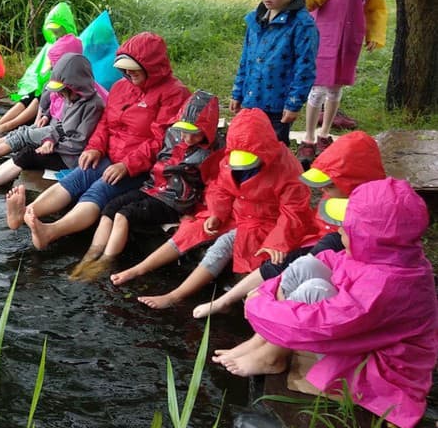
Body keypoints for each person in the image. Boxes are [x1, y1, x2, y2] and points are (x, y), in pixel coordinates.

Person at [213, 177, 438, 428]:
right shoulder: (386, 256)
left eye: (347, 227)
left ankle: (272, 356)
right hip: (363, 341)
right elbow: (329, 260)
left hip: (385, 373)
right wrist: (264, 292)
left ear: (370, 238)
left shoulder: (387, 284)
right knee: (305, 265)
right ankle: (260, 343)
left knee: (314, 290)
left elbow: (324, 323)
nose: (339, 230)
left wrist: (258, 308)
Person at [113, 108, 319, 309]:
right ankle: (139, 269)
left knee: (225, 244)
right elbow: (220, 188)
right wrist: (216, 214)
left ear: (263, 150)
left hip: (266, 222)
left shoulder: (287, 168)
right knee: (190, 230)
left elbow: (294, 212)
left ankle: (175, 296)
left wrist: (278, 242)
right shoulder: (231, 158)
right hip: (235, 213)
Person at [6, 32, 190, 249]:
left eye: (134, 68)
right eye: (125, 68)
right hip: (110, 155)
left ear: (151, 66)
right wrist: (94, 148)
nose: (128, 73)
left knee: (100, 190)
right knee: (78, 177)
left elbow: (161, 141)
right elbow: (105, 123)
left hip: (141, 167)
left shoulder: (174, 95)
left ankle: (51, 232)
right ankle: (27, 213)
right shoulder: (121, 87)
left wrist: (127, 165)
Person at [192, 130, 386, 318]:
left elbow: (295, 213)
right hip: (317, 239)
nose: (325, 188)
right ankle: (224, 301)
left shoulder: (371, 208)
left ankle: (260, 309)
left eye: (329, 184)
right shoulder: (341, 191)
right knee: (279, 261)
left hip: (335, 254)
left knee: (292, 271)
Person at [70, 89, 223, 281]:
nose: (187, 138)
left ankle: (105, 262)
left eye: (195, 134)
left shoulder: (215, 151)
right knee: (110, 209)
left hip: (175, 201)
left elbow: (214, 185)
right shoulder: (173, 133)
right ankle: (90, 257)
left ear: (207, 131)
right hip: (153, 187)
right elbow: (155, 153)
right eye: (184, 131)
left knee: (124, 215)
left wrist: (199, 212)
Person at [296, 0, 388, 165]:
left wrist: (375, 33)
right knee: (318, 86)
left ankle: (325, 133)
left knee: (336, 87)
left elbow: (376, 7)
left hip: (350, 39)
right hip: (325, 37)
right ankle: (309, 137)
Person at [0, 54, 105, 188]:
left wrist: (53, 146)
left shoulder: (93, 106)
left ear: (77, 86)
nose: (62, 96)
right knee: (25, 148)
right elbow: (60, 126)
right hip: (58, 146)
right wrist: (49, 139)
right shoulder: (70, 99)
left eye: (65, 92)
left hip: (70, 158)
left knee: (28, 155)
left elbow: (78, 143)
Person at [0, 32, 87, 166]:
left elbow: (70, 126)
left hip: (57, 137)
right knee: (21, 130)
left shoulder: (81, 93)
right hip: (51, 127)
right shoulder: (61, 82)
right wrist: (45, 116)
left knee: (23, 135)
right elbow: (49, 103)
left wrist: (48, 135)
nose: (52, 68)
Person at [230, 0, 319, 146]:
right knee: (247, 145)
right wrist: (238, 92)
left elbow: (305, 68)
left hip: (277, 106)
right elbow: (246, 59)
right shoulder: (255, 19)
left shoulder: (302, 25)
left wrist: (294, 103)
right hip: (251, 99)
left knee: (272, 150)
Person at [0, 2, 77, 135]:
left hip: (61, 85)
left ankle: (8, 125)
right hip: (48, 83)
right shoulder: (54, 43)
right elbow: (44, 69)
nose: (54, 32)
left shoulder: (73, 43)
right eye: (52, 29)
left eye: (57, 29)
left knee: (39, 99)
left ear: (65, 26)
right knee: (27, 98)